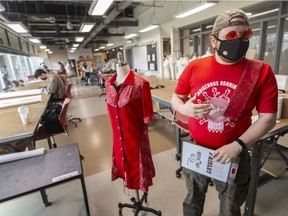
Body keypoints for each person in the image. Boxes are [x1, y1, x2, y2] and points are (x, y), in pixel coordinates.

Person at [171, 9, 278, 216]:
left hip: (234, 154)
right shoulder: (195, 67)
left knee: (230, 207)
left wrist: (238, 145)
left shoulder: (260, 72)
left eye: (245, 35)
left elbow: (268, 118)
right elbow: (177, 97)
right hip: (197, 149)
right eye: (230, 36)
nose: (238, 41)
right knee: (192, 200)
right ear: (214, 41)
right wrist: (184, 108)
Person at [106, 52, 156, 192]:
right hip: (117, 140)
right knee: (124, 168)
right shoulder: (108, 85)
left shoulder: (141, 84)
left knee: (135, 169)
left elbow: (148, 118)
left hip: (136, 141)